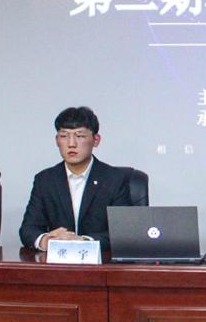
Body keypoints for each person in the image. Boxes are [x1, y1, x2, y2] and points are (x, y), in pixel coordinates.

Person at [19, 106, 136, 250]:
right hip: (58, 260)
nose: (71, 144)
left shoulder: (115, 180)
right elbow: (28, 229)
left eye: (79, 136)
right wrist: (45, 240)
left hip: (100, 261)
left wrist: (83, 241)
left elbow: (123, 232)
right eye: (64, 136)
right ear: (57, 140)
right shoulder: (45, 180)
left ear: (96, 140)